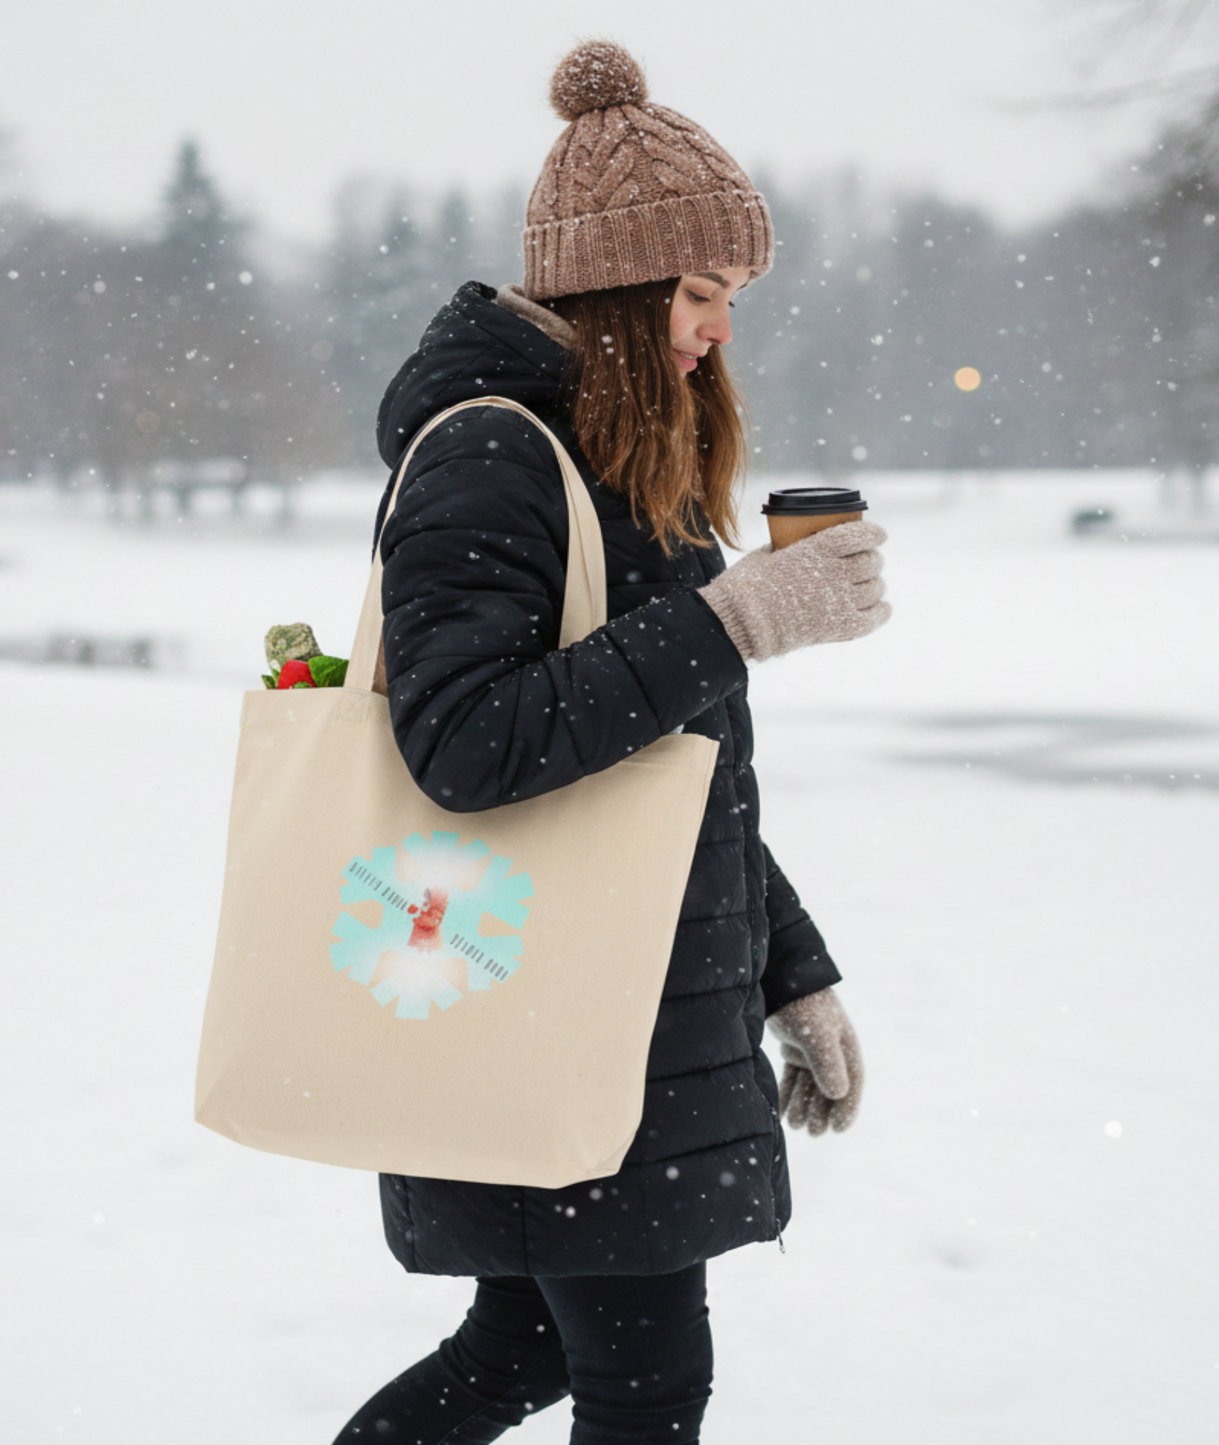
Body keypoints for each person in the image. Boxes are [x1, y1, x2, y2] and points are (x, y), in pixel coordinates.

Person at [334, 40, 889, 1445]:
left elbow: (678, 784)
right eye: (702, 294)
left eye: (733, 300)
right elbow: (465, 742)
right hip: (553, 1001)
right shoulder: (494, 454)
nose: (715, 331)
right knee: (645, 1387)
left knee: (519, 1351)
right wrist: (739, 620)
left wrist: (793, 975)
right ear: (625, 285)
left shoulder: (605, 455)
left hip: (614, 1014)